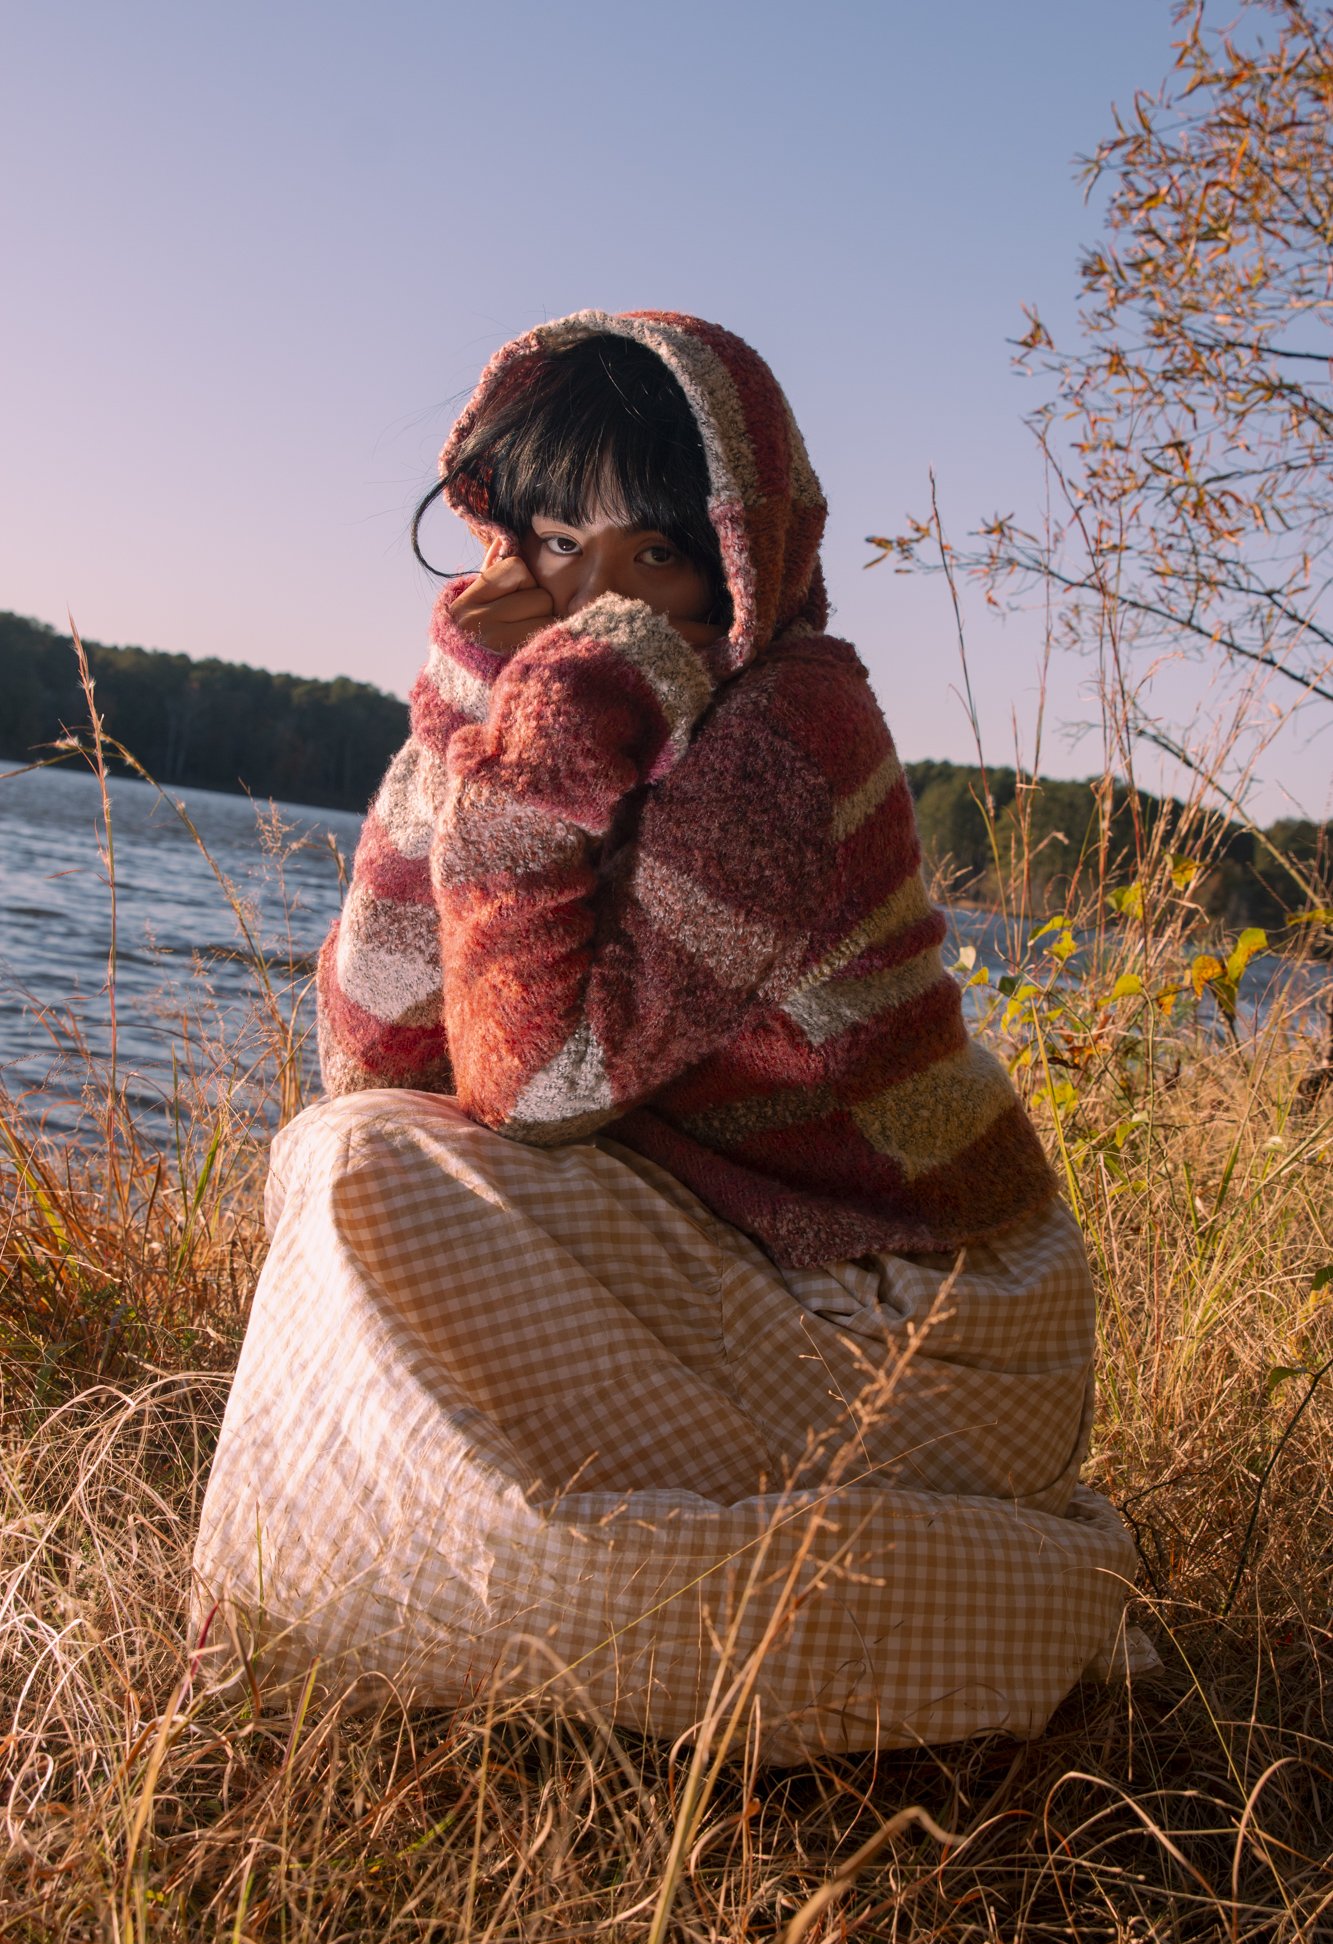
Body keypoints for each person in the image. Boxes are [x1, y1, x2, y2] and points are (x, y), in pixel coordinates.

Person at [192, 311, 1141, 1761]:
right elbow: (381, 1051)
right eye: (557, 547)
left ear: (742, 557)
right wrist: (462, 707)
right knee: (352, 1159)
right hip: (755, 1267)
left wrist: (542, 724)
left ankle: (1032, 1599)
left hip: (929, 1339)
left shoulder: (787, 733)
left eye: (653, 557)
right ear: (496, 540)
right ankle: (390, 1606)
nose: (594, 602)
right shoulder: (548, 714)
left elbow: (530, 1086)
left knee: (364, 1179)